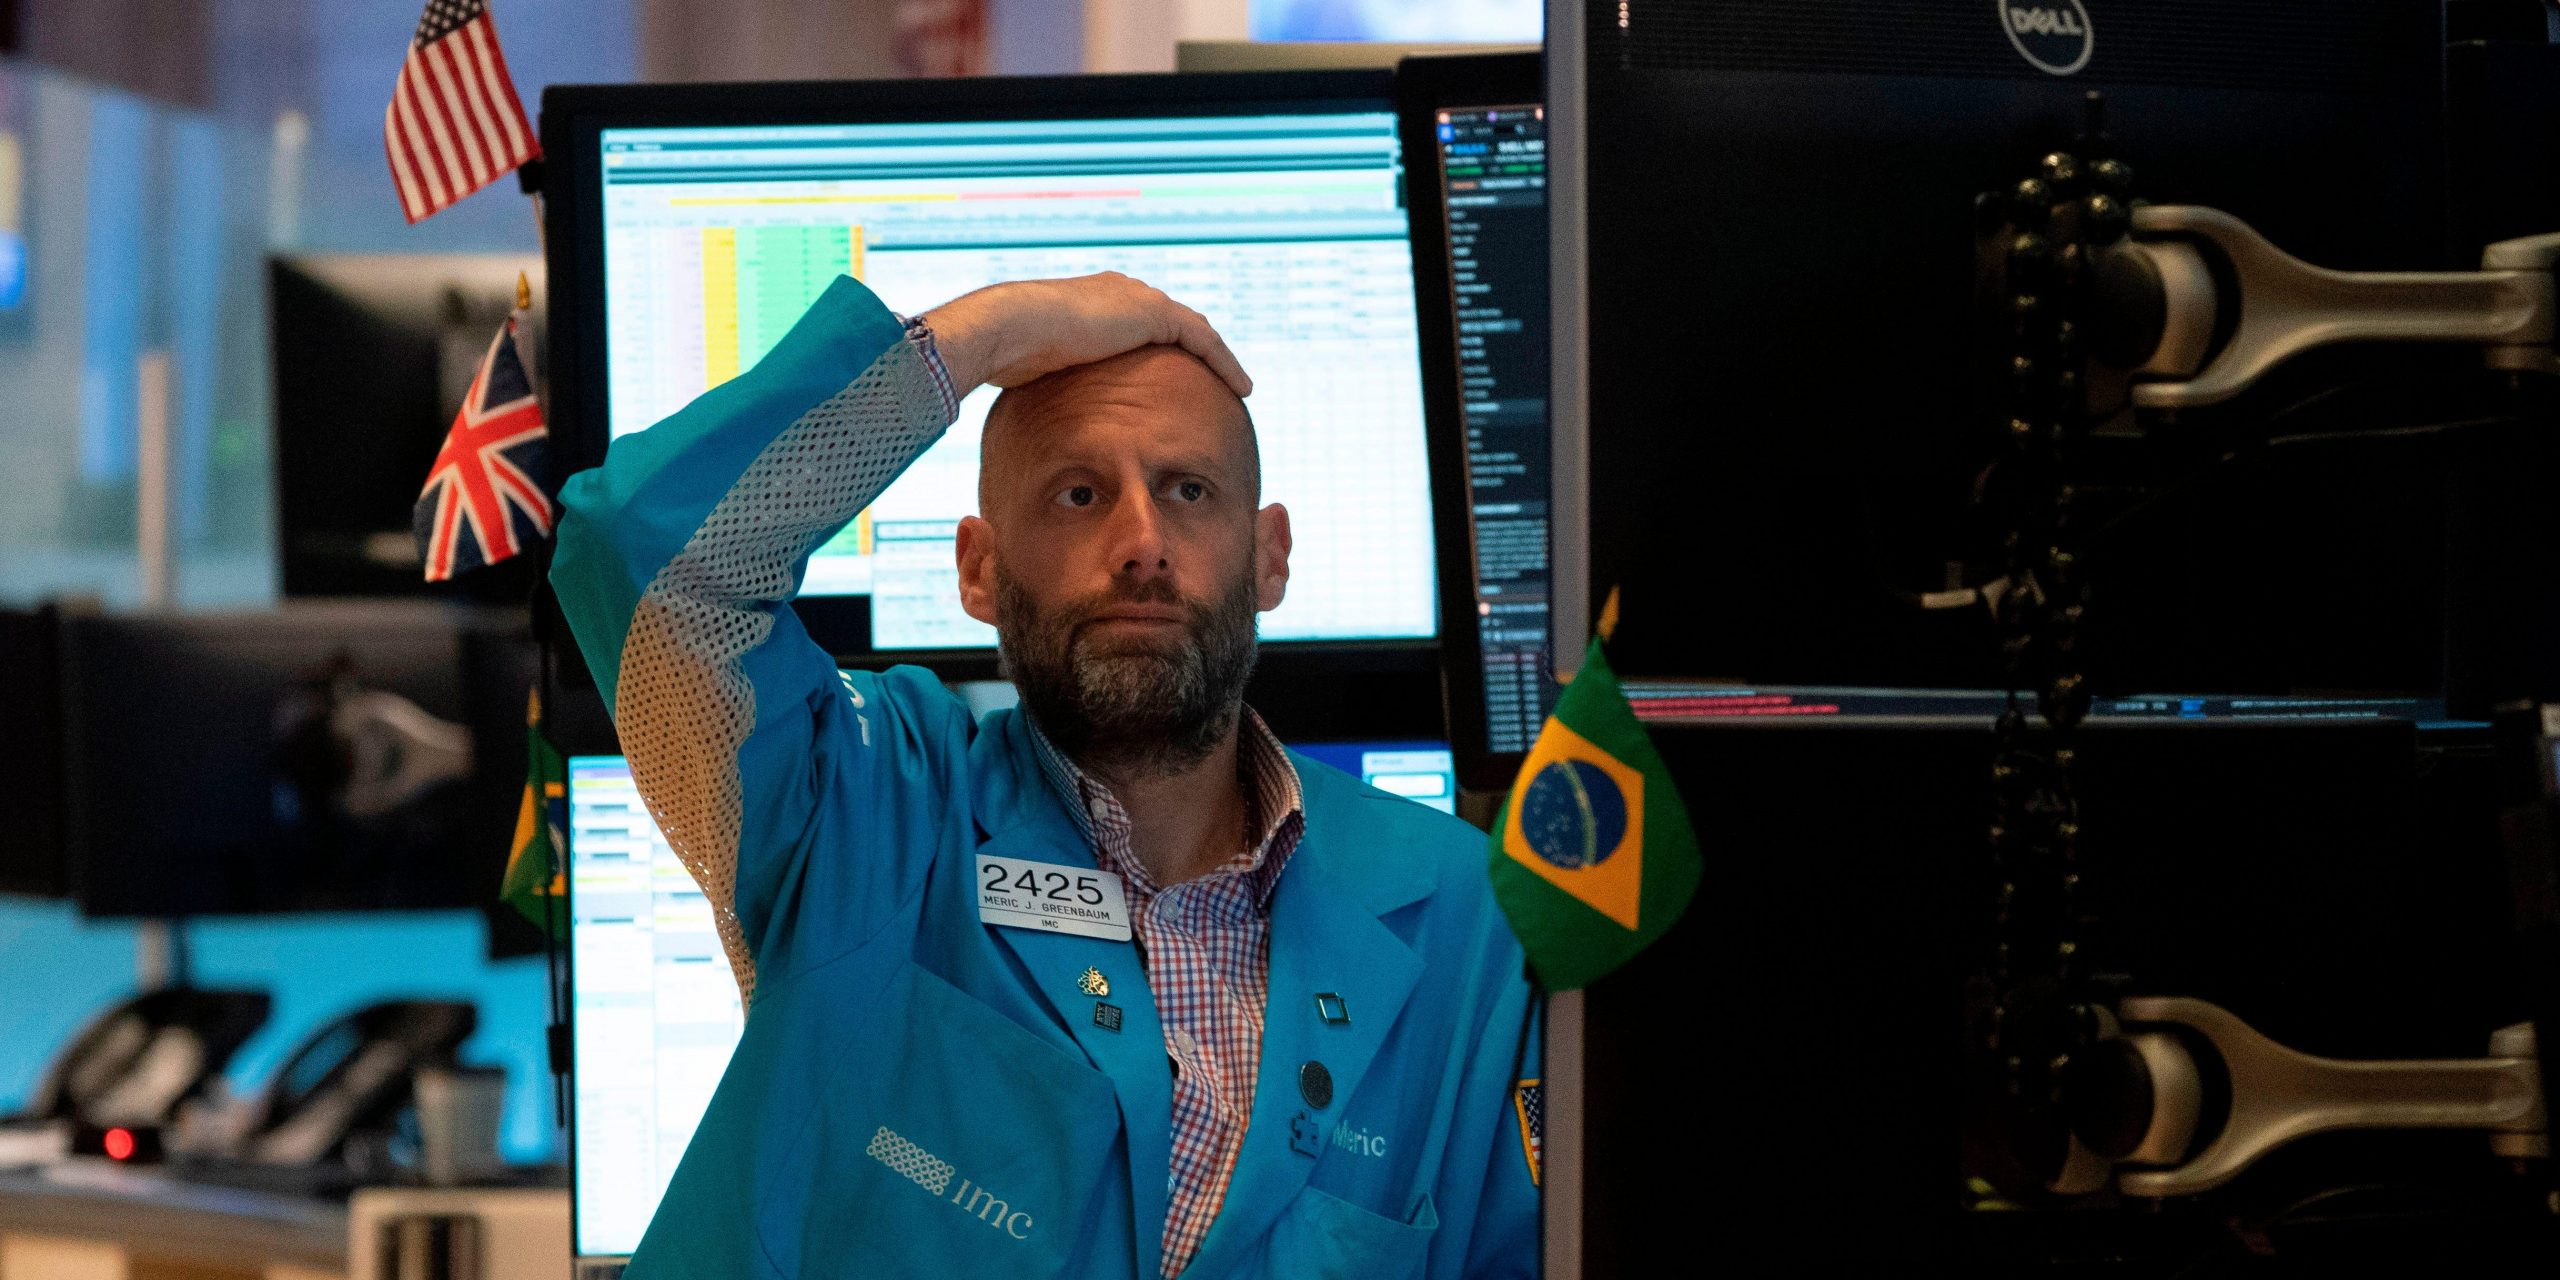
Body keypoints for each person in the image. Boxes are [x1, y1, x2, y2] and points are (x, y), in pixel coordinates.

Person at [551, 270, 1539, 1279]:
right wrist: (989, 333)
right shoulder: (864, 804)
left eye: (1186, 490)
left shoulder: (1468, 918)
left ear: (1268, 556)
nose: (1142, 544)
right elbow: (643, 546)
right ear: (977, 569)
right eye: (1078, 493)